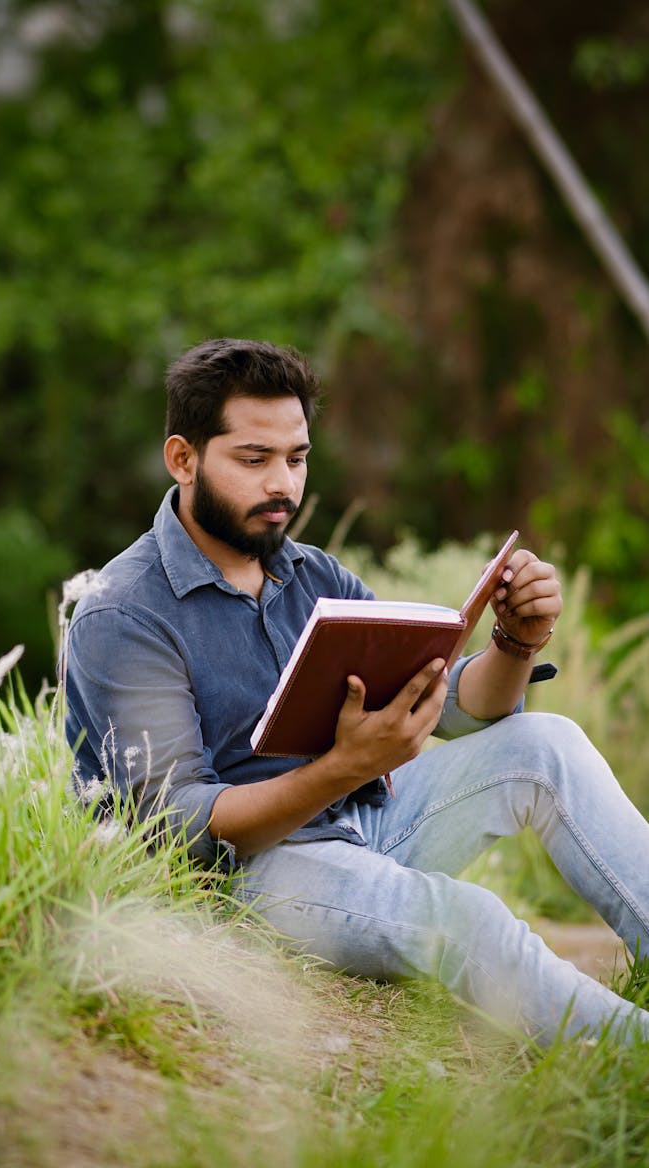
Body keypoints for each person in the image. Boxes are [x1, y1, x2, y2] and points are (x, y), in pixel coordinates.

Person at [64, 337, 649, 1046]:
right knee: (469, 919)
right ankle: (630, 1054)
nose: (283, 484)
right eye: (255, 459)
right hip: (251, 880)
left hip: (365, 824)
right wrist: (345, 767)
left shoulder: (313, 576)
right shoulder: (124, 613)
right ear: (183, 459)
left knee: (546, 743)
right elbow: (183, 829)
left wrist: (517, 640)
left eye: (297, 458)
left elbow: (461, 710)